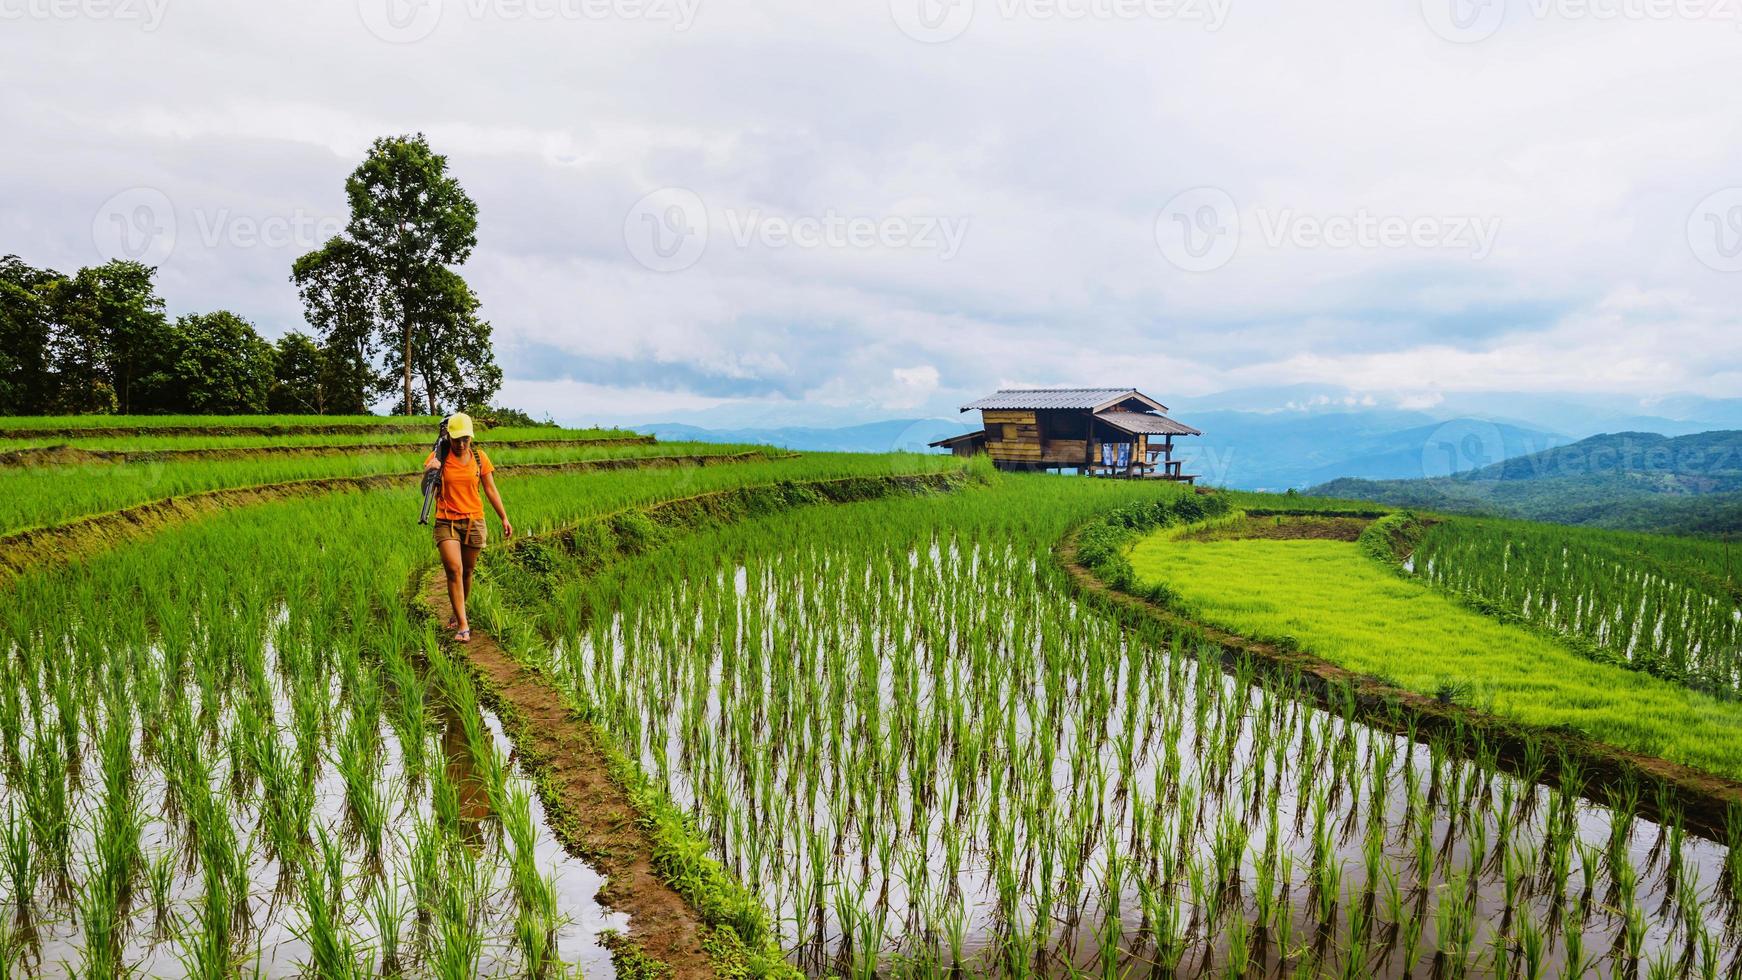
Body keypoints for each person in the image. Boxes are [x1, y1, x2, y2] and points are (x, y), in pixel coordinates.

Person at [424, 413, 512, 643]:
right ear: (449, 437)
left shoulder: (480, 458)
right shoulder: (438, 457)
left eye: (465, 439)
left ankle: (458, 610)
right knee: (454, 570)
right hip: (446, 521)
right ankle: (463, 625)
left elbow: (491, 490)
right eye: (456, 439)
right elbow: (426, 492)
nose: (461, 444)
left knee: (468, 572)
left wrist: (504, 517)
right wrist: (429, 472)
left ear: (471, 437)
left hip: (474, 520)